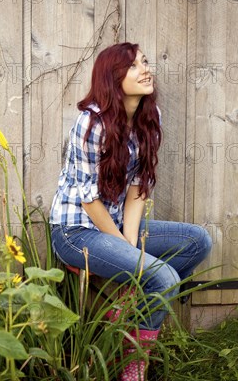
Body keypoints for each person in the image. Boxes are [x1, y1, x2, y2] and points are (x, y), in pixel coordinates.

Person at [49, 42, 212, 381]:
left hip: (116, 224)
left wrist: (130, 242)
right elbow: (88, 199)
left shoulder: (148, 118)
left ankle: (125, 319)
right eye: (134, 66)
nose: (145, 69)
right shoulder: (90, 123)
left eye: (145, 62)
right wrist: (127, 250)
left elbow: (138, 186)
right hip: (76, 231)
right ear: (113, 77)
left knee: (198, 241)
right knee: (163, 277)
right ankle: (132, 364)